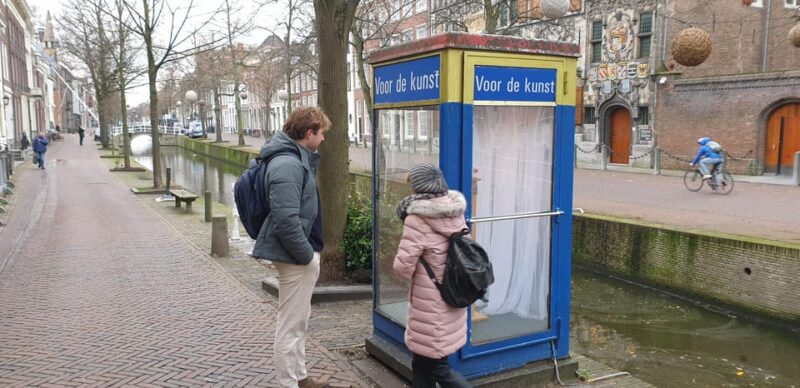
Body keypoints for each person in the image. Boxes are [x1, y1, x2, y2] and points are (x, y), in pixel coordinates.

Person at [252, 107, 330, 388]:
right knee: (290, 325)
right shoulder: (287, 164)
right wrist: (307, 256)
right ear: (309, 132)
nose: (323, 139)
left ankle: (301, 377)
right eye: (321, 133)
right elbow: (285, 220)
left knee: (298, 321)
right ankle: (289, 383)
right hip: (296, 256)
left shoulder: (295, 158)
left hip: (299, 253)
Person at [393, 164, 472, 388]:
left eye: (412, 186)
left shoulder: (417, 219)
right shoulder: (454, 211)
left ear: (420, 188)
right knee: (422, 365)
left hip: (430, 306)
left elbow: (403, 267)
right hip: (449, 298)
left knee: (438, 369)